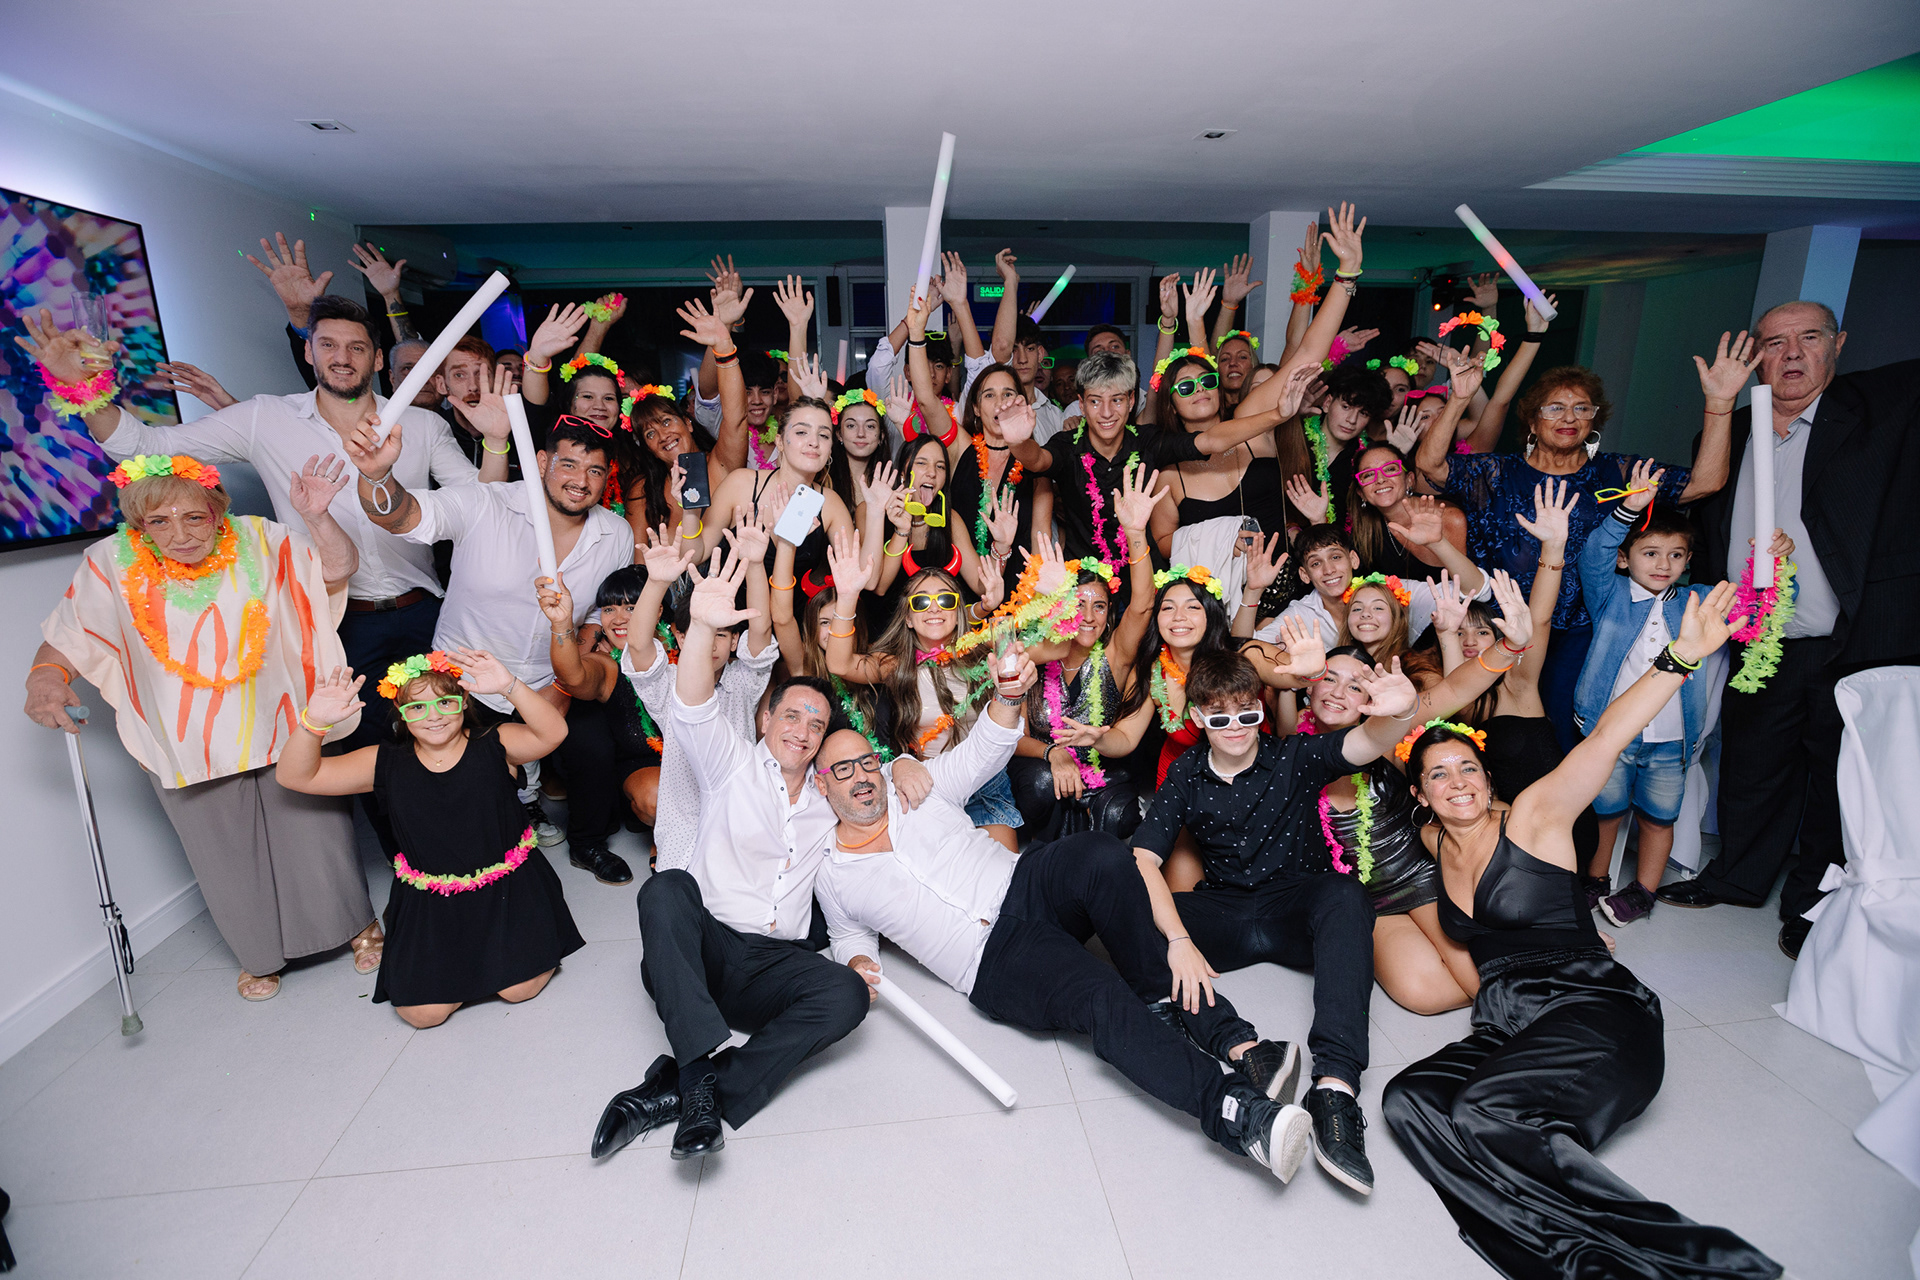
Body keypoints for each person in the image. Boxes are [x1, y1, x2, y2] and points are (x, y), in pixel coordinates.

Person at [1382, 584, 1783, 1280]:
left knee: (1484, 1112)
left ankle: (1695, 1264)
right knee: (1410, 1099)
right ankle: (1540, 1240)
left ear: (1488, 777)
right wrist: (1393, 710)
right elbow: (1371, 756)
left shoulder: (1535, 817)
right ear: (1419, 794)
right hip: (1507, 1024)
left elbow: (1606, 739)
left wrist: (1680, 657)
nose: (1458, 783)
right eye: (1439, 775)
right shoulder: (1430, 839)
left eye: (1468, 768)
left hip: (1595, 1013)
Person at [814, 646, 1321, 1187]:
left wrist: (1009, 695)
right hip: (990, 958)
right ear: (822, 784)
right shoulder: (833, 875)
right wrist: (858, 960)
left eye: (866, 761)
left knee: (1102, 853)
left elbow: (986, 747)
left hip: (1023, 882)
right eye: (843, 770)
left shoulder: (916, 785)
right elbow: (848, 936)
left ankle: (1208, 1027)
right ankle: (1239, 1116)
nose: (861, 776)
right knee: (1099, 994)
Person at [16, 299, 497, 753]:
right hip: (334, 619)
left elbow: (482, 506)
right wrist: (85, 393)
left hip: (424, 611)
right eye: (328, 344)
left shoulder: (423, 426)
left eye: (356, 347)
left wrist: (495, 440)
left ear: (375, 360)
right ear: (308, 352)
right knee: (360, 747)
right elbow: (143, 448)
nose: (342, 357)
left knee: (455, 735)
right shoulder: (264, 417)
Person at [23, 454, 379, 1002]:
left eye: (194, 517)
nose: (180, 534)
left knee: (315, 830)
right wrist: (46, 678)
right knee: (222, 852)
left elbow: (336, 570)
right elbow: (70, 635)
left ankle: (355, 926)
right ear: (138, 524)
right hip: (183, 735)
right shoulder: (108, 562)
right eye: (158, 521)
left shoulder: (261, 538)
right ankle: (259, 954)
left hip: (281, 716)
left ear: (217, 511)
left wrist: (318, 517)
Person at [591, 549, 876, 1162]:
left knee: (848, 995)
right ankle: (700, 1084)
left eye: (817, 724)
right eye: (791, 715)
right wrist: (701, 624)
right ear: (765, 718)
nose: (802, 730)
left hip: (776, 964)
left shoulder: (829, 799)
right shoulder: (731, 764)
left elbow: (874, 800)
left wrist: (900, 769)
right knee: (666, 889)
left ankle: (679, 1089)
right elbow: (692, 702)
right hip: (705, 953)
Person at [1660, 303, 1920, 959]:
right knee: (1752, 765)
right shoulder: (1731, 428)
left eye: (1810, 338)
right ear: (1757, 356)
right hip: (1760, 636)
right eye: (1776, 343)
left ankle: (1812, 903)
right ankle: (1738, 877)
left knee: (1836, 778)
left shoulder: (1879, 411)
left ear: (1839, 345)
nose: (1793, 354)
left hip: (1853, 637)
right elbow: (1705, 512)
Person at [1133, 647, 1420, 1194]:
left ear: (1261, 709)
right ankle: (1249, 1052)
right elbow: (1144, 860)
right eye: (1220, 718)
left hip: (1293, 908)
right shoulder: (1186, 775)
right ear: (1198, 716)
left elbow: (1365, 742)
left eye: (1248, 713)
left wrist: (1400, 713)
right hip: (1225, 911)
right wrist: (1178, 939)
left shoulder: (1296, 755)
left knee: (1345, 895)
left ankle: (1335, 1089)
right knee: (1133, 917)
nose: (1237, 728)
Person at [340, 411, 636, 871]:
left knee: (594, 748)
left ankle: (589, 843)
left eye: (595, 470)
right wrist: (377, 476)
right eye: (569, 464)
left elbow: (598, 614)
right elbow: (401, 516)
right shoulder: (485, 503)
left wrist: (565, 681)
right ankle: (481, 840)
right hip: (468, 676)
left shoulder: (614, 533)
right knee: (468, 772)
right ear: (542, 462)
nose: (581, 481)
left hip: (552, 674)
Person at [1413, 340, 1737, 749]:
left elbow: (1705, 482)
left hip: (1581, 632)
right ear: (1532, 422)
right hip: (1499, 625)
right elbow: (1429, 465)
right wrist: (1459, 400)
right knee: (1488, 730)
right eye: (1555, 408)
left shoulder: (1617, 473)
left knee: (1566, 735)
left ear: (1593, 421)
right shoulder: (1496, 471)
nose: (1569, 417)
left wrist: (1720, 404)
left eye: (1582, 408)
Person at [276, 651, 583, 1027]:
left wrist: (509, 686)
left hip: (508, 890)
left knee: (519, 989)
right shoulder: (383, 761)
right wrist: (314, 723)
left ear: (464, 701)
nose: (433, 716)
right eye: (417, 707)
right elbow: (296, 777)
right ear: (401, 713)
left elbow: (554, 733)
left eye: (445, 702)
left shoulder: (495, 743)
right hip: (432, 902)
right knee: (424, 1014)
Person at [1302, 573, 1536, 1015]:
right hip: (1369, 900)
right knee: (1423, 996)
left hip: (1420, 877)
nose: (1338, 693)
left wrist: (1510, 646)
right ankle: (1523, 958)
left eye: (1355, 686)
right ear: (1309, 684)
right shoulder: (1294, 749)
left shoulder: (1383, 735)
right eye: (1329, 679)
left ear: (1370, 697)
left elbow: (1453, 691)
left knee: (1477, 975)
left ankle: (1531, 980)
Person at [1576, 464, 1757, 926]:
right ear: (1625, 559)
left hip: (1670, 740)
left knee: (1658, 818)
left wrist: (1772, 563)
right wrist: (1626, 511)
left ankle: (1643, 891)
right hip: (1611, 733)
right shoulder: (1609, 594)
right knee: (1605, 810)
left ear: (1688, 560)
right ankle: (1595, 878)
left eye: (1675, 555)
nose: (1663, 564)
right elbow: (1593, 554)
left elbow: (1754, 605)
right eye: (1651, 553)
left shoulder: (1697, 601)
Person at [1001, 350, 1315, 566]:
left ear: (1131, 401)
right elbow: (1038, 461)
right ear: (1081, 404)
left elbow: (1211, 439)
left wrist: (1277, 415)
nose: (1107, 412)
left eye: (1116, 400)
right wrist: (1017, 441)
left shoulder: (1149, 441)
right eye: (1095, 402)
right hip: (1085, 580)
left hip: (1143, 577)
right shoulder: (1067, 445)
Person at [1008, 549, 1156, 840]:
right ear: (1060, 607)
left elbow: (1142, 606)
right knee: (1041, 784)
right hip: (1043, 771)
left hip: (1100, 773)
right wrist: (1054, 753)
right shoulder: (1035, 657)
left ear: (1109, 613)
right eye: (1077, 605)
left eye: (1098, 606)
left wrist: (1135, 533)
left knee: (1117, 814)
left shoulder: (1116, 655)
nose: (1088, 617)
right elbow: (1014, 737)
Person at [542, 566, 665, 870]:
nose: (618, 619)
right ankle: (662, 835)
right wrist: (562, 624)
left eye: (631, 608)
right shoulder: (606, 664)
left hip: (692, 756)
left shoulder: (680, 644)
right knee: (655, 797)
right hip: (641, 763)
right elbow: (573, 675)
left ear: (658, 611)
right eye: (609, 609)